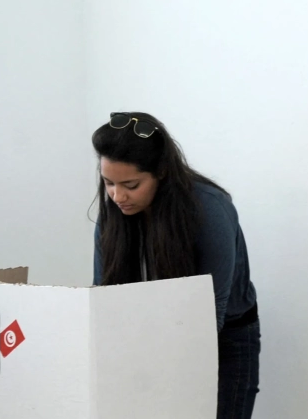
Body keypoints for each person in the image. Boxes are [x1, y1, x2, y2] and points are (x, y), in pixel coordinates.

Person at [90, 111, 260, 418]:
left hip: (224, 337)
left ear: (162, 172)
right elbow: (105, 296)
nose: (117, 196)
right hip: (147, 334)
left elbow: (213, 309)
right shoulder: (112, 214)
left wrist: (166, 364)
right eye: (108, 183)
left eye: (131, 184)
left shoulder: (209, 208)